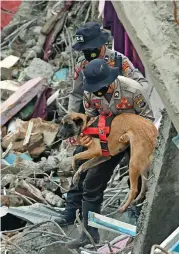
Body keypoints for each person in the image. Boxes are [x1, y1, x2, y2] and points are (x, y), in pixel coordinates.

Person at [62, 58, 154, 249]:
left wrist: (128, 136)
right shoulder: (90, 94)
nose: (99, 93)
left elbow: (148, 119)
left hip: (135, 136)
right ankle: (89, 234)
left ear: (111, 80)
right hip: (107, 139)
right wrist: (87, 138)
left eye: (102, 88)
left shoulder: (133, 90)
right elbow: (91, 120)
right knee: (91, 182)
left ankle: (143, 229)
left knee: (136, 178)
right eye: (95, 89)